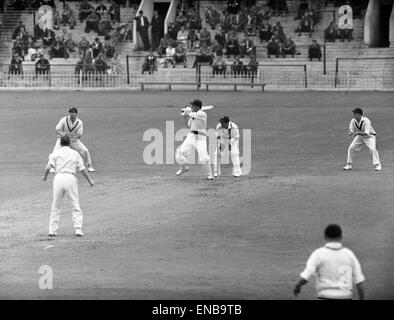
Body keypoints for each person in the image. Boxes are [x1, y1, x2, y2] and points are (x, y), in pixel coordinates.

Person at [293, 224, 365, 300]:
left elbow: (307, 275)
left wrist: (297, 286)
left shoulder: (318, 254)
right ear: (341, 237)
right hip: (346, 297)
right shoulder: (350, 255)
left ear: (325, 237)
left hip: (324, 296)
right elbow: (359, 282)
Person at [42, 135, 94, 237]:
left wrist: (45, 177)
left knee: (55, 205)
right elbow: (82, 169)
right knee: (75, 204)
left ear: (60, 143)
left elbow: (48, 167)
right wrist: (90, 181)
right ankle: (78, 229)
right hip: (70, 178)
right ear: (69, 143)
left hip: (58, 178)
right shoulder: (75, 153)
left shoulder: (55, 154)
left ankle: (52, 230)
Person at [176, 99, 213, 180]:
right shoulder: (193, 115)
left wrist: (188, 111)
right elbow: (188, 126)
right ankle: (183, 168)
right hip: (191, 136)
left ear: (197, 107)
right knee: (180, 153)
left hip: (200, 137)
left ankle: (209, 174)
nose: (191, 107)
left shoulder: (203, 114)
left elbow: (192, 114)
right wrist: (185, 116)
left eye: (192, 106)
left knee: (204, 158)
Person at [52, 107, 95, 172]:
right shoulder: (64, 119)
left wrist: (75, 138)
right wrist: (64, 135)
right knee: (55, 151)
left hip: (73, 140)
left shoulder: (79, 122)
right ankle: (52, 167)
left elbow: (80, 133)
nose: (71, 114)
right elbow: (58, 130)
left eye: (73, 112)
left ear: (76, 113)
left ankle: (89, 166)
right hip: (62, 139)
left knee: (85, 151)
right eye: (70, 112)